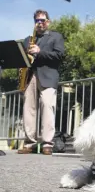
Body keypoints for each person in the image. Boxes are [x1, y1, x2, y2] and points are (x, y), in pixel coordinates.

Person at [18, 9, 65, 155]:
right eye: (37, 21)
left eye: (43, 20)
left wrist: (39, 52)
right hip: (30, 76)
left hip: (48, 76)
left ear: (48, 22)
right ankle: (29, 143)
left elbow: (59, 56)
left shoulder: (55, 37)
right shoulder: (27, 40)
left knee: (47, 106)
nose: (40, 24)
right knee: (28, 109)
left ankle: (47, 143)